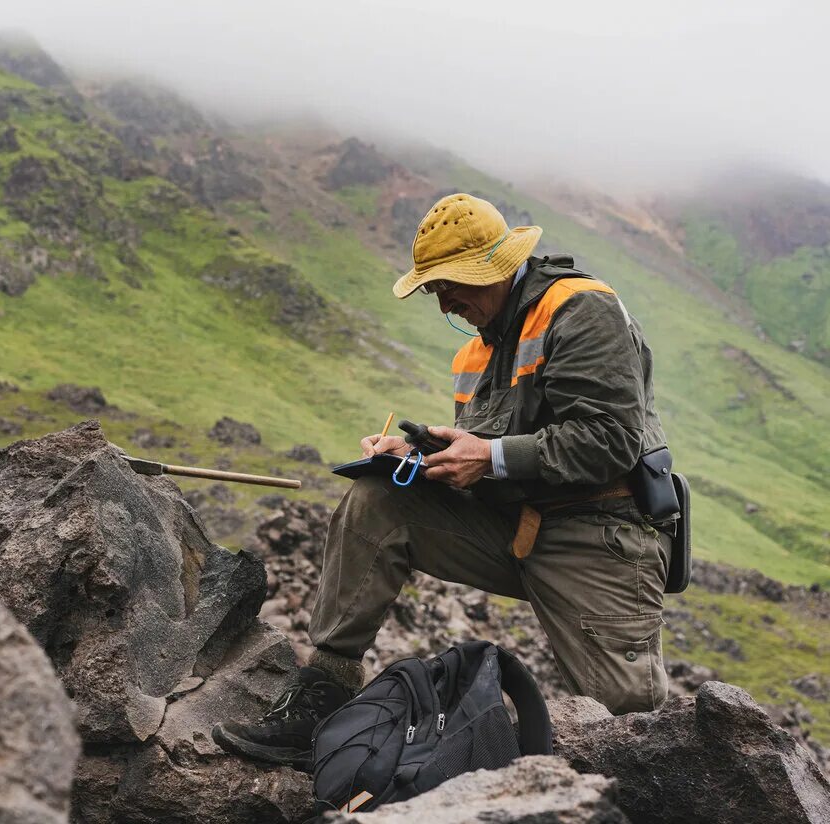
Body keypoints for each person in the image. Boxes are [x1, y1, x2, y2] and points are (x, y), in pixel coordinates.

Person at [212, 192, 673, 768]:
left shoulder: (581, 309)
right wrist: (421, 456)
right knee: (379, 499)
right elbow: (484, 456)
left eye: (451, 285)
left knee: (629, 737)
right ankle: (321, 698)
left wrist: (489, 456)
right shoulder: (473, 355)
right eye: (435, 290)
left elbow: (609, 441)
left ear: (496, 266)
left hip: (599, 538)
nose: (444, 303)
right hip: (511, 527)